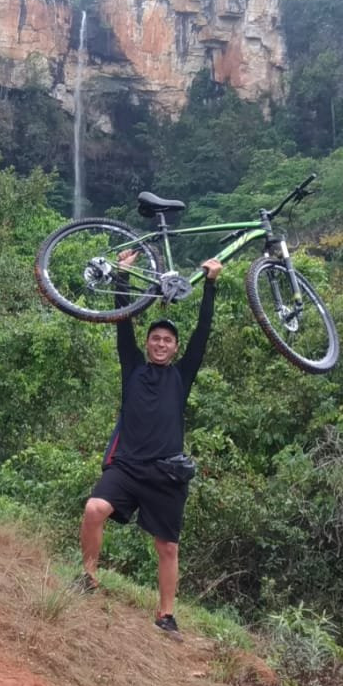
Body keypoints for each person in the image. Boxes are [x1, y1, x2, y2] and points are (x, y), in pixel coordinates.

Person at [78, 252, 223, 639]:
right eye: (155, 339)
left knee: (168, 547)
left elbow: (203, 335)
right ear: (147, 344)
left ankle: (165, 615)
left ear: (175, 348)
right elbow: (121, 322)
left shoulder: (182, 375)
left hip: (166, 472)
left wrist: (210, 286)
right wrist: (122, 277)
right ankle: (88, 577)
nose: (161, 344)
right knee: (95, 509)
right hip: (126, 466)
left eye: (167, 340)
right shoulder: (133, 368)